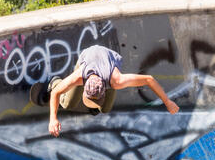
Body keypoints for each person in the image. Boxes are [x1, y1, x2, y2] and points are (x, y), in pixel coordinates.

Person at [42, 44, 179, 137]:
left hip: (108, 62)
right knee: (68, 104)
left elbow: (149, 79)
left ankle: (95, 106)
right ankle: (54, 81)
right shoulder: (79, 76)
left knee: (105, 109)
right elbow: (56, 93)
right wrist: (52, 119)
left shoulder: (117, 80)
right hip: (88, 57)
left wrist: (167, 101)